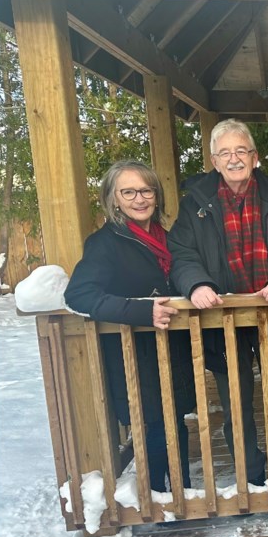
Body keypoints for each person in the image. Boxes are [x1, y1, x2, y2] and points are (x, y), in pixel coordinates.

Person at [169, 118, 268, 487]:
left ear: (255, 157)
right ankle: (251, 473)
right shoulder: (195, 203)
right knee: (235, 400)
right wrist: (196, 284)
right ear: (214, 161)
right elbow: (181, 253)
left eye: (241, 151)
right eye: (225, 153)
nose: (234, 159)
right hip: (222, 316)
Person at [65, 160, 195, 493]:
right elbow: (79, 294)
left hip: (171, 350)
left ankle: (182, 495)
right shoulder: (105, 243)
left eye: (146, 190)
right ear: (113, 198)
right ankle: (159, 502)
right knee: (152, 426)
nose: (140, 198)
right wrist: (138, 310)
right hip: (133, 354)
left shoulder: (165, 238)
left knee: (175, 421)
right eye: (129, 192)